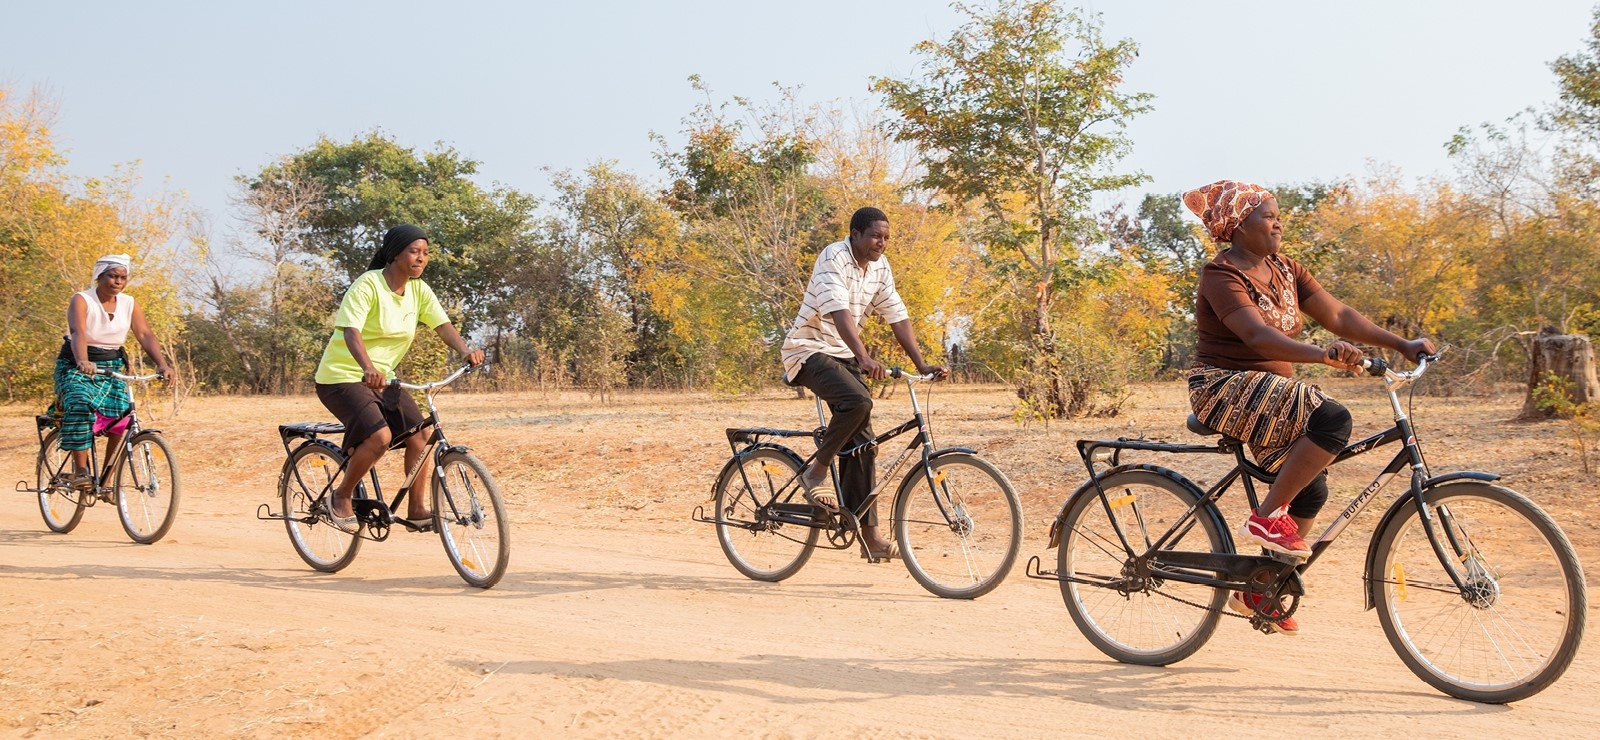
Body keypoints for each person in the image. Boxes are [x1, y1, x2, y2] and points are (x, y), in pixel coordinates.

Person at [1183, 180, 1435, 636]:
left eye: (1279, 214)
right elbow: (1257, 337)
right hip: (1223, 388)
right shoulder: (1221, 276)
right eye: (1268, 215)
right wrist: (1322, 355)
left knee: (1312, 491)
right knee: (1333, 417)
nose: (1279, 222)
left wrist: (1402, 344)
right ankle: (1265, 517)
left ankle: (1259, 587)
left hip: (1269, 396)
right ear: (1239, 226)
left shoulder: (1285, 269)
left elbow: (1338, 316)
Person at [780, 207, 949, 560]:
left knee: (864, 446)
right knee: (859, 402)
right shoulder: (834, 257)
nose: (881, 243)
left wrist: (922, 363)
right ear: (855, 233)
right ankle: (817, 470)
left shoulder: (879, 268)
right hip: (808, 350)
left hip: (842, 354)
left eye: (886, 238)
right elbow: (840, 312)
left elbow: (897, 315)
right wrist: (864, 357)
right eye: (875, 236)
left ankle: (868, 535)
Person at [313, 224, 484, 532]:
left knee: (420, 435)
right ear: (395, 254)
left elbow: (442, 325)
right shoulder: (368, 285)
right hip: (340, 377)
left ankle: (417, 509)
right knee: (380, 438)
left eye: (425, 253)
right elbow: (351, 332)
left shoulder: (418, 290)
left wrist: (465, 351)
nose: (421, 258)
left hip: (384, 379)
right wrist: (367, 367)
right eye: (414, 251)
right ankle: (341, 495)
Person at [53, 254, 173, 490]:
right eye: (113, 276)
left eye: (123, 277)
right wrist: (83, 360)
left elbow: (145, 334)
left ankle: (107, 480)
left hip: (112, 365)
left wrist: (162, 364)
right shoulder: (82, 300)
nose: (118, 282)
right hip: (77, 364)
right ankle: (81, 472)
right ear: (100, 276)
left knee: (122, 418)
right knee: (80, 403)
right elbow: (79, 332)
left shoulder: (129, 303)